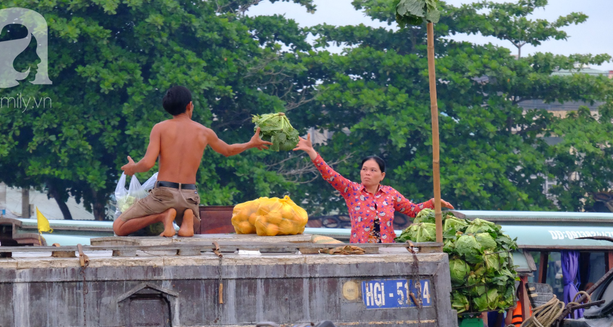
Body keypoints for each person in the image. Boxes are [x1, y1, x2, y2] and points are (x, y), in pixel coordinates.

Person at [113, 86, 272, 238]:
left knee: (118, 227)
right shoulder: (204, 132)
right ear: (189, 106)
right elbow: (228, 150)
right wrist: (250, 144)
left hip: (164, 195)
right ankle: (188, 218)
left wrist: (132, 168)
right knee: (193, 228)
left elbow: (148, 164)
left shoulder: (160, 128)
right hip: (189, 196)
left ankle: (163, 216)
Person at [294, 133, 454, 243]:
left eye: (372, 170)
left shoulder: (390, 194)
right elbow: (329, 174)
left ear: (382, 175)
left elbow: (413, 210)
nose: (367, 173)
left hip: (387, 251)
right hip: (360, 251)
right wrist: (310, 150)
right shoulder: (352, 190)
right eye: (364, 169)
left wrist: (433, 203)